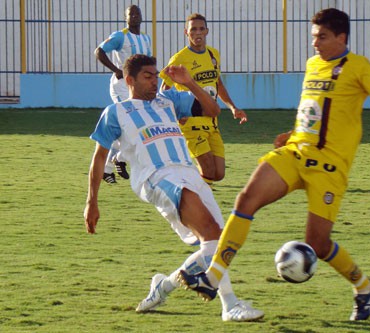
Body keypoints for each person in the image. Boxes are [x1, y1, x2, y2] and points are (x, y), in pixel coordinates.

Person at [178, 8, 370, 321]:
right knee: (246, 200)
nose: (315, 43)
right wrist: (294, 132)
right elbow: (312, 109)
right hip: (297, 153)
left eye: (322, 37)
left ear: (342, 37)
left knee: (318, 243)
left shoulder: (359, 66)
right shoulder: (313, 64)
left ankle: (364, 286)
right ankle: (214, 276)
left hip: (329, 167)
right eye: (313, 37)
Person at [84, 54, 263, 322]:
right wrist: (92, 200)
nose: (154, 81)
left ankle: (164, 286)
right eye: (147, 76)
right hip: (156, 178)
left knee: (220, 243)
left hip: (189, 173)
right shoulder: (116, 113)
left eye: (156, 75)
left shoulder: (168, 101)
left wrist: (189, 82)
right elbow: (99, 157)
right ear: (130, 80)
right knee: (213, 237)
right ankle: (230, 305)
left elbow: (213, 111)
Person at [159, 13, 247, 188]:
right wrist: (175, 116)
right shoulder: (179, 59)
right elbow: (163, 92)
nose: (197, 33)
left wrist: (232, 107)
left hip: (212, 119)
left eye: (201, 29)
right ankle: (200, 208)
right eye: (193, 29)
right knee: (208, 171)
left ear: (207, 31)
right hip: (191, 122)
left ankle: (184, 182)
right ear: (186, 32)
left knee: (218, 173)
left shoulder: (213, 54)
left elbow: (218, 83)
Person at [94, 4, 152, 183]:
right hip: (121, 85)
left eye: (137, 13)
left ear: (142, 17)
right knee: (129, 124)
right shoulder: (121, 36)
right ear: (126, 18)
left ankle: (116, 161)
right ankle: (112, 164)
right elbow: (99, 51)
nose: (134, 16)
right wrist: (116, 70)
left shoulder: (146, 38)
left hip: (138, 86)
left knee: (138, 125)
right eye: (130, 14)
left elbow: (147, 62)